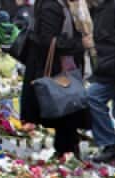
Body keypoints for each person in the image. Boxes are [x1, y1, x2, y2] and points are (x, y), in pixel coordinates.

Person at [20, 0, 91, 157]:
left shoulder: (60, 4)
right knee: (65, 107)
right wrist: (80, 44)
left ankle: (67, 149)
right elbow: (48, 40)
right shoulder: (51, 6)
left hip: (60, 67)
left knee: (67, 110)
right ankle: (66, 150)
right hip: (56, 69)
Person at [89, 0, 115, 164]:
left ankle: (112, 145)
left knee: (93, 97)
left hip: (114, 69)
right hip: (111, 67)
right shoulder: (103, 8)